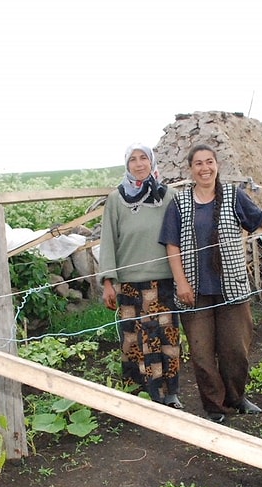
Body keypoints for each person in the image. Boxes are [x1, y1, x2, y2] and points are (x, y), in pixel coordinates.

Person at [159, 143, 262, 423]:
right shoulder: (180, 202)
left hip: (232, 288)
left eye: (209, 162)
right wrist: (181, 283)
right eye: (198, 163)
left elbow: (259, 218)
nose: (205, 168)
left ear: (217, 165)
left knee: (235, 349)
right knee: (202, 353)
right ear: (191, 169)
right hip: (195, 291)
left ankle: (236, 398)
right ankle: (214, 407)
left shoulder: (233, 197)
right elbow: (172, 244)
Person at [97, 142, 183, 409]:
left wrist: (183, 277)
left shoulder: (167, 196)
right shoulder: (116, 198)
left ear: (152, 162)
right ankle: (138, 395)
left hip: (164, 280)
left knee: (166, 336)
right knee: (134, 339)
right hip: (130, 282)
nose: (138, 164)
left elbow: (179, 238)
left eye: (143, 158)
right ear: (127, 165)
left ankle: (170, 393)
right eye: (133, 159)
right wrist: (108, 281)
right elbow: (109, 239)